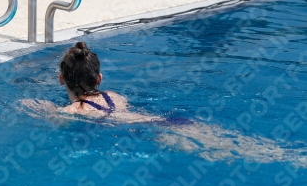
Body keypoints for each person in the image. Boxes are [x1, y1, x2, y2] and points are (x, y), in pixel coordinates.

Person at [22, 40, 307, 167]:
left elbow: (46, 112)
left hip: (159, 133)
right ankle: (292, 157)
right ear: (100, 78)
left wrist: (31, 105)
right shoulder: (116, 97)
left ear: (61, 80)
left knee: (230, 155)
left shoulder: (73, 111)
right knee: (240, 146)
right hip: (169, 122)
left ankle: (292, 160)